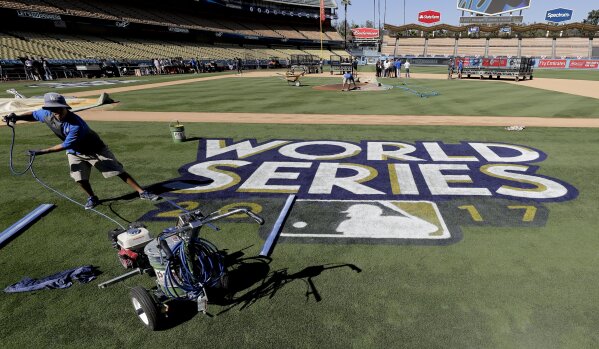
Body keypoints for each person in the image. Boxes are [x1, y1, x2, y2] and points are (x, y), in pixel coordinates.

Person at [3, 93, 160, 210]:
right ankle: (93, 198)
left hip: (95, 149)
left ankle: (142, 192)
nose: (56, 112)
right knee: (79, 177)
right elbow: (34, 114)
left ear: (65, 108)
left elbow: (65, 145)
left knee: (116, 170)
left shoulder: (76, 125)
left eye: (58, 109)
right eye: (52, 109)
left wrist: (41, 152)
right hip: (75, 151)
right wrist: (17, 117)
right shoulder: (47, 114)